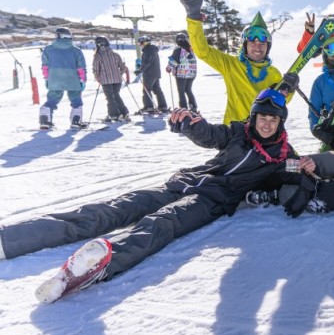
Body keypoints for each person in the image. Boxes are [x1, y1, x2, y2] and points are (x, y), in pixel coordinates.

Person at [0, 89, 301, 303]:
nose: (266, 123)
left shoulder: (284, 154)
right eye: (262, 117)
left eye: (273, 120)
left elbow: (298, 173)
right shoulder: (238, 132)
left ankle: (99, 262)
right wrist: (191, 125)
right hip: (184, 182)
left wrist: (308, 170)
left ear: (280, 123)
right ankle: (11, 238)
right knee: (113, 209)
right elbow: (210, 135)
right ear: (254, 116)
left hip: (211, 201)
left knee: (162, 223)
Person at [181, 0, 283, 124]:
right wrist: (194, 18)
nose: (257, 47)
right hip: (235, 134)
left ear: (267, 47)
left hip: (264, 133)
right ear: (245, 45)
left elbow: (281, 101)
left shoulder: (274, 73)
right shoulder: (231, 65)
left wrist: (290, 88)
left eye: (262, 43)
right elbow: (202, 51)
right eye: (252, 42)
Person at [39, 27, 87, 129]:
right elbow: (81, 67)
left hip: (54, 79)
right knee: (76, 99)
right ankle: (76, 120)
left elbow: (45, 67)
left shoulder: (48, 49)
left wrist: (47, 78)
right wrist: (82, 80)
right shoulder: (76, 51)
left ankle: (45, 117)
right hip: (72, 79)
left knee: (52, 99)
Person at [92, 35, 131, 122]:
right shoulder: (115, 54)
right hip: (117, 80)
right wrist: (119, 73)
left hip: (106, 81)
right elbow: (123, 67)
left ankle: (113, 115)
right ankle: (124, 112)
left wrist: (98, 77)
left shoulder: (98, 56)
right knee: (116, 96)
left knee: (110, 97)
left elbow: (95, 69)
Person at [136, 35, 169, 113]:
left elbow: (148, 61)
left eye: (141, 43)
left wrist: (140, 69)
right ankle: (163, 106)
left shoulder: (148, 50)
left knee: (146, 90)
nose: (140, 45)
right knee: (157, 89)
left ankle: (149, 107)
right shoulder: (152, 49)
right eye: (139, 44)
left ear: (146, 43)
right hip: (155, 73)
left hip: (149, 74)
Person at [167, 32, 198, 112]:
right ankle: (193, 106)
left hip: (182, 74)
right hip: (191, 74)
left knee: (181, 91)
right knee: (188, 90)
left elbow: (174, 61)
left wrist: (168, 68)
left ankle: (183, 108)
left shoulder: (178, 49)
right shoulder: (191, 49)